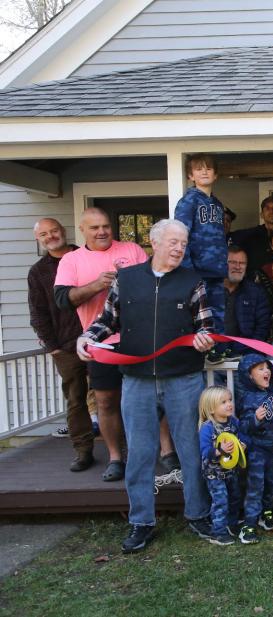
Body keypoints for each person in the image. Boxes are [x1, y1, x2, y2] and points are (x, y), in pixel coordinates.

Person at [77, 218, 216, 554]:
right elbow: (107, 320)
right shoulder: (126, 280)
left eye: (183, 243)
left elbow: (206, 327)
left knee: (190, 451)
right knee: (140, 453)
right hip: (136, 381)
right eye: (173, 242)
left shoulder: (192, 281)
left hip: (183, 379)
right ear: (155, 242)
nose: (179, 248)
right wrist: (86, 337)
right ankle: (141, 522)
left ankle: (198, 514)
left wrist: (204, 340)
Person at [55, 207, 149, 482]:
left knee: (147, 400)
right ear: (82, 229)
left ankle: (152, 453)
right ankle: (116, 458)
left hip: (138, 340)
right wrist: (97, 285)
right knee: (106, 401)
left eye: (106, 226)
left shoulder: (132, 250)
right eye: (94, 227)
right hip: (101, 343)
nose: (102, 231)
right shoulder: (72, 260)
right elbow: (63, 300)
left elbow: (154, 283)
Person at [28, 218, 94, 472]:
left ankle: (120, 449)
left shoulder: (85, 256)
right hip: (65, 346)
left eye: (54, 230)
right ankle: (82, 450)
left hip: (101, 339)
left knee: (112, 395)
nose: (50, 236)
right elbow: (38, 312)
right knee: (75, 400)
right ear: (39, 239)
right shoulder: (38, 272)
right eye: (44, 234)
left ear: (63, 231)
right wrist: (52, 346)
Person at [173, 153, 228, 361]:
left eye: (208, 168)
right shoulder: (188, 201)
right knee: (200, 313)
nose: (204, 172)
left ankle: (219, 349)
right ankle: (204, 351)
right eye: (198, 169)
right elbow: (181, 236)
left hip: (216, 269)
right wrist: (187, 270)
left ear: (215, 175)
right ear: (190, 175)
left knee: (218, 312)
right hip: (196, 270)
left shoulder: (217, 204)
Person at [235, 352, 273, 544]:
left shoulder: (270, 393)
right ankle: (249, 524)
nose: (267, 372)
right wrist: (255, 418)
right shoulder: (247, 398)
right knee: (256, 486)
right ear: (249, 375)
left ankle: (266, 514)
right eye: (261, 369)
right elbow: (243, 427)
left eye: (268, 368)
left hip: (269, 448)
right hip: (255, 450)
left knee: (270, 482)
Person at [197, 386, 247, 546]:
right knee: (220, 500)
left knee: (234, 497)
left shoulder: (234, 422)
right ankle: (217, 532)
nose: (229, 404)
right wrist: (220, 450)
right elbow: (206, 452)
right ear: (211, 409)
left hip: (231, 471)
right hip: (214, 473)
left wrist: (243, 444)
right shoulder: (207, 428)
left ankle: (231, 524)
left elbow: (242, 437)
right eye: (223, 402)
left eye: (230, 400)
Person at [221, 246, 270, 358]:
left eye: (242, 263)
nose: (238, 267)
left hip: (246, 357)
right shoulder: (209, 290)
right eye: (232, 262)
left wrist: (244, 350)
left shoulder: (256, 292)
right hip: (213, 358)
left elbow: (262, 328)